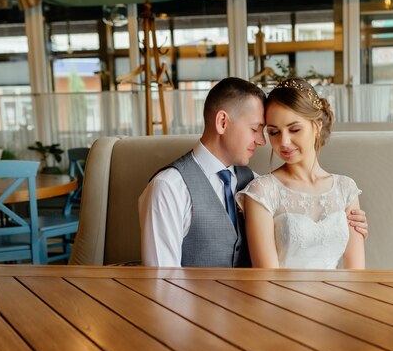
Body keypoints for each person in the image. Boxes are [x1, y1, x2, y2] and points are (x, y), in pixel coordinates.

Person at [139, 77, 368, 267]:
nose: (262, 141)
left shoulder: (254, 182)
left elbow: (298, 208)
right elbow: (162, 282)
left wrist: (344, 222)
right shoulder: (169, 187)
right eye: (257, 129)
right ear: (222, 122)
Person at [237, 78, 365, 269]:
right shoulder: (262, 192)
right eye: (274, 132)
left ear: (317, 126)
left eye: (294, 129)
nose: (284, 142)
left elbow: (356, 273)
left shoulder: (345, 189)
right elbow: (267, 279)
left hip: (339, 297)